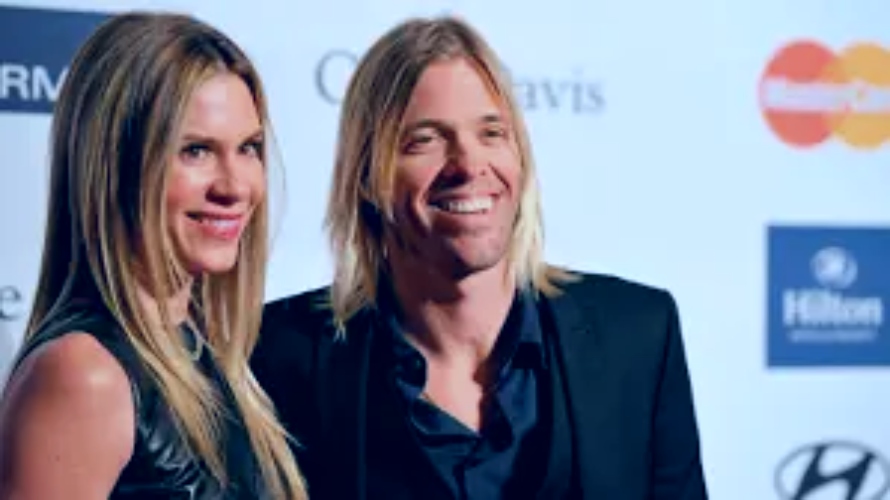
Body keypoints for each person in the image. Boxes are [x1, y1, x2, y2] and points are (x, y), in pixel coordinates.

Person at [253, 15, 708, 500]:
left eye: (492, 133)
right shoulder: (278, 356)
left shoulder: (638, 336)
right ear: (366, 176)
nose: (469, 165)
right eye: (425, 140)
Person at [0, 12, 307, 500]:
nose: (234, 187)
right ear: (114, 165)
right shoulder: (84, 375)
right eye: (196, 151)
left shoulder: (204, 354)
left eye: (248, 148)